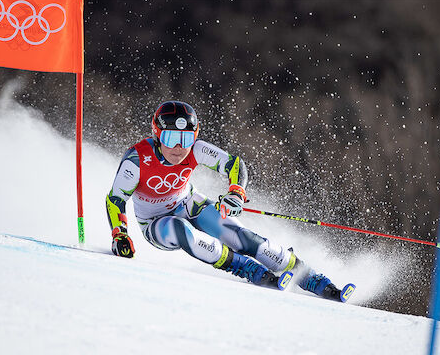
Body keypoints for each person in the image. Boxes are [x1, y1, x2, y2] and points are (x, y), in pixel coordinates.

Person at [105, 101, 353, 301]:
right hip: (155, 223)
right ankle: (248, 269)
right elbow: (116, 199)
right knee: (182, 231)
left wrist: (236, 192)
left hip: (190, 204)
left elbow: (234, 165)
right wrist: (120, 235)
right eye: (171, 139)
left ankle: (314, 280)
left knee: (242, 237)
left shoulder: (196, 149)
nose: (179, 148)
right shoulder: (138, 159)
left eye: (186, 139)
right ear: (157, 134)